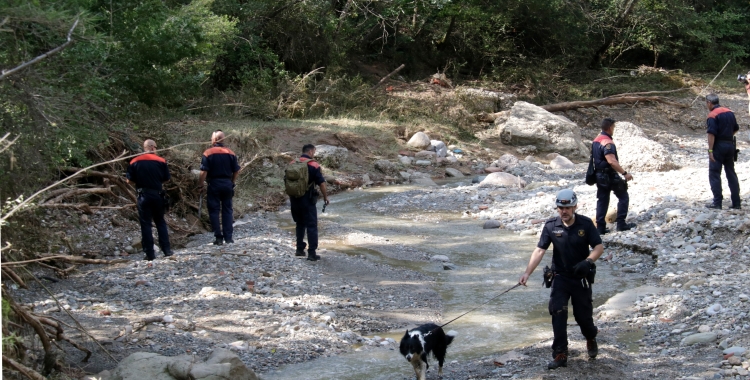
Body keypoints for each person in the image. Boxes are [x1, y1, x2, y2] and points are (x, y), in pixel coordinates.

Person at [519, 189, 604, 370]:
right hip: (560, 277)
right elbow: (539, 250)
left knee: (583, 318)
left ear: (575, 207)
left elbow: (598, 247)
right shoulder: (551, 225)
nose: (563, 212)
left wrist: (588, 261)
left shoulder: (586, 224)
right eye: (560, 208)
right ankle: (560, 353)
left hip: (580, 278)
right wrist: (527, 273)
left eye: (567, 208)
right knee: (558, 312)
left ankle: (590, 336)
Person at [126, 139, 173, 261]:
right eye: (156, 147)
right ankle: (166, 250)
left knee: (146, 224)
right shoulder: (161, 161)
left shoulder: (135, 161)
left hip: (143, 196)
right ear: (152, 147)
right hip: (157, 195)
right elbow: (167, 179)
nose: (156, 149)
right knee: (160, 222)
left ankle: (150, 254)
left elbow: (129, 180)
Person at [592, 118, 635, 234]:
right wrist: (625, 174)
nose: (614, 130)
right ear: (610, 128)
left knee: (602, 200)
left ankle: (600, 227)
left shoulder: (596, 140)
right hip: (609, 175)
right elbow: (612, 161)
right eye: (614, 128)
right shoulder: (607, 142)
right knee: (623, 196)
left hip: (599, 175)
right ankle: (621, 223)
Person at [198, 130, 240, 245]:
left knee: (214, 211)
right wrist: (232, 182)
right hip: (227, 184)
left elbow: (203, 172)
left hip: (214, 184)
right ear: (223, 139)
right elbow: (236, 170)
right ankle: (229, 238)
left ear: (214, 140)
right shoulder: (231, 153)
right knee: (227, 210)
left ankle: (218, 237)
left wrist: (200, 185)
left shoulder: (208, 153)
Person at [290, 144, 329, 261]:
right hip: (307, 199)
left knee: (300, 224)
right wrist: (325, 197)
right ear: (311, 152)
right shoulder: (313, 165)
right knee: (311, 225)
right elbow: (321, 183)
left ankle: (299, 249)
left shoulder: (292, 163)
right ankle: (312, 253)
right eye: (314, 152)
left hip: (294, 198)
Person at [705, 94, 740, 209]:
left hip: (718, 146)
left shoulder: (712, 115)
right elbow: (736, 128)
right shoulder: (729, 112)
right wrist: (728, 137)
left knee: (714, 174)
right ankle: (736, 203)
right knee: (731, 173)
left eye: (707, 103)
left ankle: (717, 203)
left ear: (709, 102)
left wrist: (710, 150)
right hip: (730, 145)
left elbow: (711, 134)